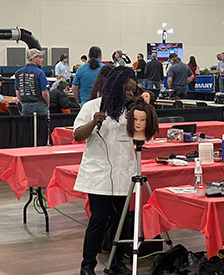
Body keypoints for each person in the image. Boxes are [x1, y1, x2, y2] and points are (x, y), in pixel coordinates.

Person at [74, 66, 137, 275]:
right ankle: (87, 265)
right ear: (116, 87)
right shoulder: (91, 106)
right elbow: (78, 135)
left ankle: (116, 261)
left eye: (133, 90)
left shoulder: (132, 111)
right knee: (99, 219)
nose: (130, 94)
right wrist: (94, 122)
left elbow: (145, 136)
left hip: (124, 173)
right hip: (99, 175)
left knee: (121, 221)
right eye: (128, 90)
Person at [14, 48, 50, 115]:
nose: (42, 60)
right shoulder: (40, 72)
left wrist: (22, 104)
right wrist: (47, 104)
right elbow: (45, 93)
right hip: (40, 105)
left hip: (26, 106)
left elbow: (17, 91)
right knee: (42, 125)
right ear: (34, 58)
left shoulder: (18, 73)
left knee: (26, 125)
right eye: (40, 57)